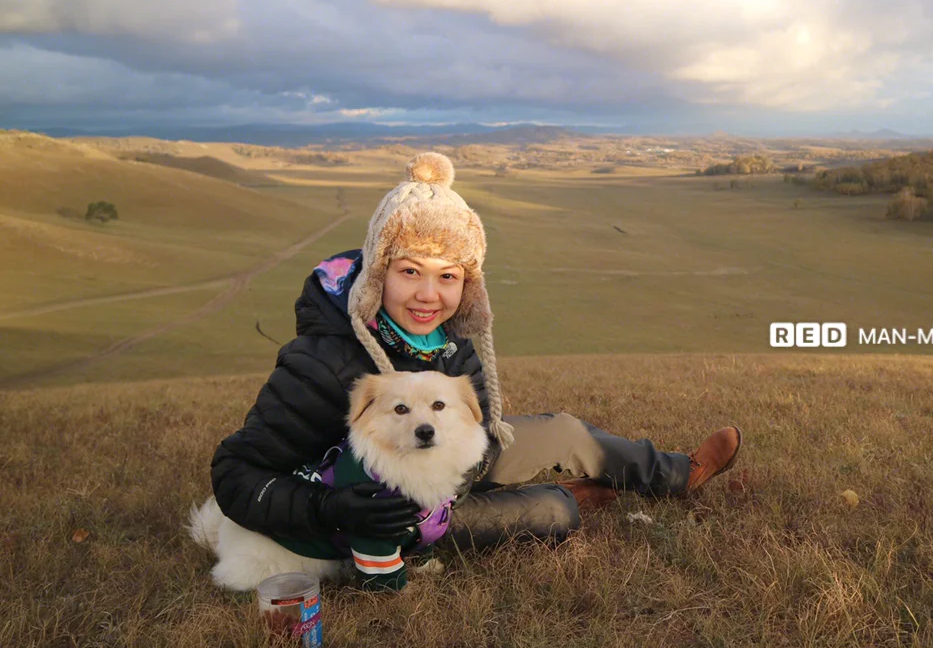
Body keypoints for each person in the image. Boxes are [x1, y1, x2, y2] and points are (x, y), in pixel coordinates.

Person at [210, 152, 742, 554]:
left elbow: (483, 421)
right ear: (377, 274)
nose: (428, 295)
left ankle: (679, 475)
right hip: (381, 516)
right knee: (552, 512)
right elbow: (236, 473)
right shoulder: (323, 360)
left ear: (468, 286)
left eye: (448, 277)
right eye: (410, 271)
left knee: (564, 430)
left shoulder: (448, 341)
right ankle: (572, 496)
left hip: (450, 466)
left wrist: (474, 461)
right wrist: (329, 508)